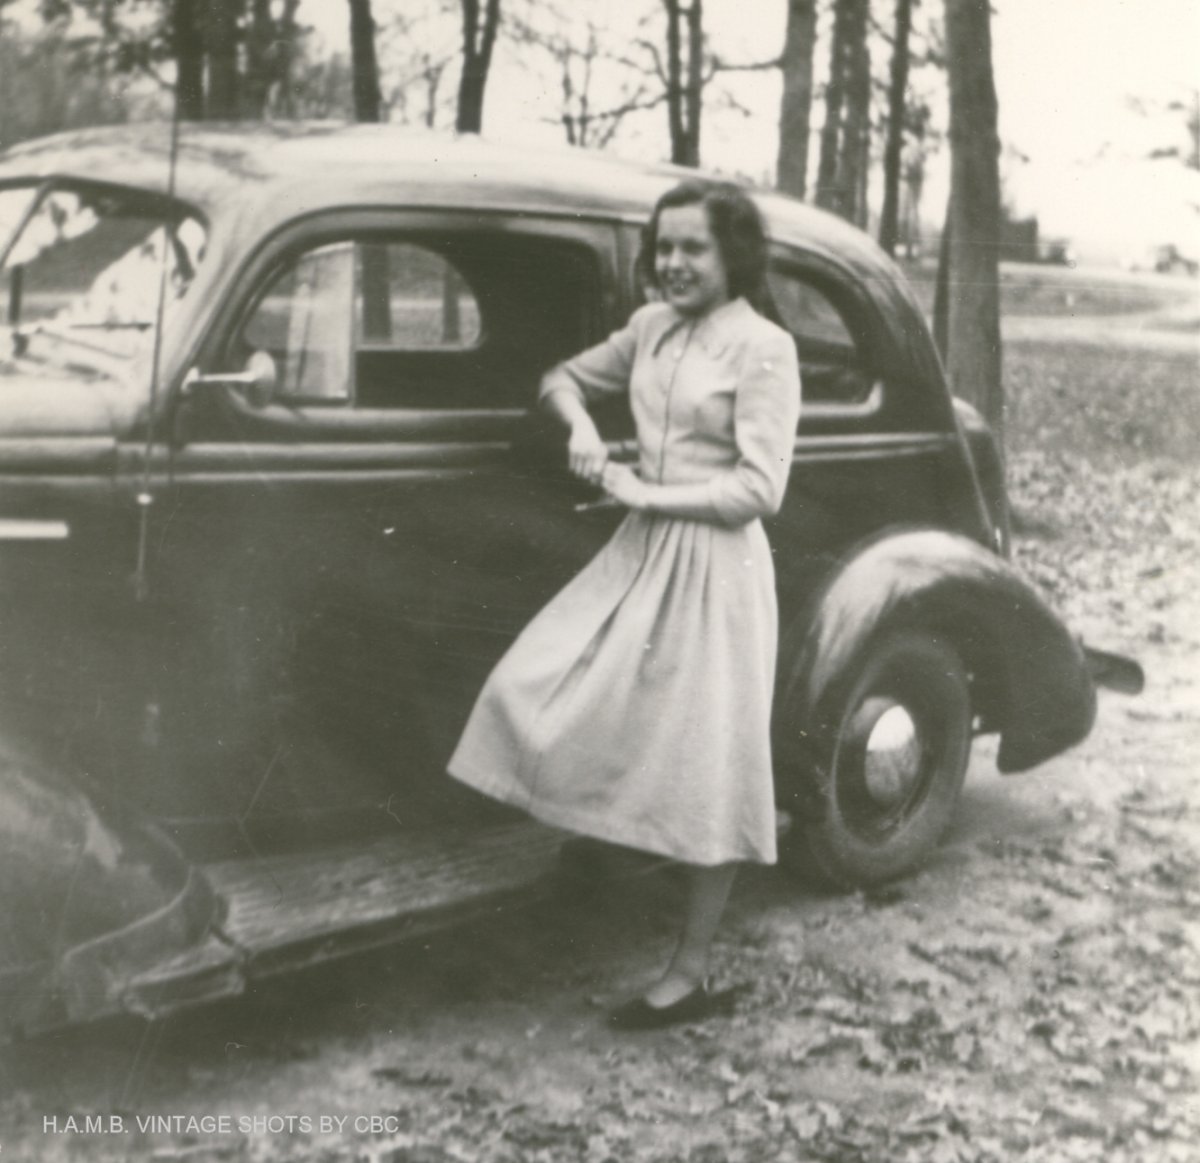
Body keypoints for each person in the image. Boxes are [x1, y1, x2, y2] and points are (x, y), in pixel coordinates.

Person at [448, 178, 802, 1029]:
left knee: (711, 765)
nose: (673, 263)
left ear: (734, 256)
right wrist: (577, 423)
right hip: (639, 553)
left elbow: (761, 488)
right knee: (535, 690)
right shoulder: (650, 328)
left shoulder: (762, 348)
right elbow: (559, 377)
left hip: (716, 567)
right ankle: (600, 864)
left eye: (694, 247)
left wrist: (647, 494)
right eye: (664, 246)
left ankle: (690, 971)